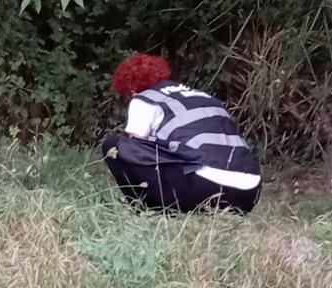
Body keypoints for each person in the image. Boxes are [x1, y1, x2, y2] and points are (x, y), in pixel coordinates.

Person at [100, 54, 261, 213]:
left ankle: (142, 209)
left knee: (114, 145)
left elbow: (134, 148)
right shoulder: (204, 96)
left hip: (205, 191)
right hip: (248, 194)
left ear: (131, 88)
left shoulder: (145, 99)